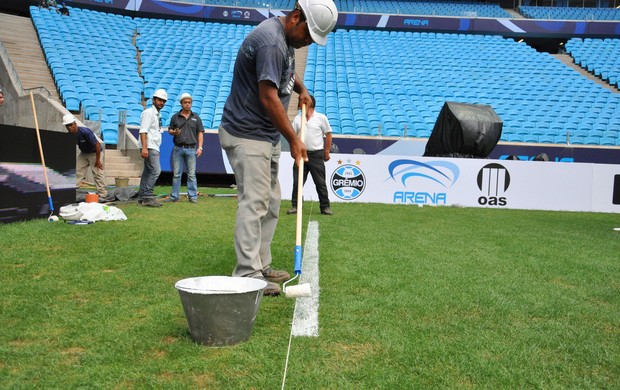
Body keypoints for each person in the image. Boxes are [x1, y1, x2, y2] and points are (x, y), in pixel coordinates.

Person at [218, 0, 338, 296]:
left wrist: (303, 89)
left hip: (265, 136)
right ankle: (247, 273)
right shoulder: (271, 41)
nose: (307, 42)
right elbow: (269, 96)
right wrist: (294, 140)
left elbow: (285, 72)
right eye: (308, 36)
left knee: (271, 200)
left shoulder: (285, 40)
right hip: (247, 134)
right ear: (296, 17)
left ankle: (260, 264)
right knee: (255, 201)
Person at [287, 95, 333, 215]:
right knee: (297, 182)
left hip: (316, 154)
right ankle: (296, 206)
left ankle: (325, 207)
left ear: (309, 104)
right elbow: (292, 137)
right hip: (301, 154)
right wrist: (295, 152)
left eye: (302, 102)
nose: (299, 104)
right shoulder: (297, 119)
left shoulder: (321, 118)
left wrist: (326, 151)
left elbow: (328, 134)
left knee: (320, 182)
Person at [166, 93, 205, 203]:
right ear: (181, 104)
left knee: (191, 175)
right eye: (185, 102)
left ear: (191, 104)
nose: (187, 104)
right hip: (178, 148)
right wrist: (174, 132)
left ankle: (193, 197)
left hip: (192, 148)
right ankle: (174, 197)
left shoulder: (196, 117)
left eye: (189, 102)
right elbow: (170, 130)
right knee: (176, 174)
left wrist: (200, 147)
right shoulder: (175, 117)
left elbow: (200, 133)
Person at [63, 114, 108, 200]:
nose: (69, 128)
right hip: (84, 153)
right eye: (67, 126)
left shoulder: (85, 132)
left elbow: (97, 145)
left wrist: (98, 161)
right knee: (77, 171)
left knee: (98, 173)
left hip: (95, 153)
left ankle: (103, 194)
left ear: (74, 124)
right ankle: (72, 191)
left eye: (70, 125)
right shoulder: (70, 134)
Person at [136, 89, 168, 207]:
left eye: (163, 101)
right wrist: (144, 148)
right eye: (159, 100)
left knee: (148, 171)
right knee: (156, 171)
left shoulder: (157, 114)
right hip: (149, 146)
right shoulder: (149, 113)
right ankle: (148, 197)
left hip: (152, 146)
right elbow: (143, 131)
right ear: (154, 100)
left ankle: (142, 197)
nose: (161, 103)